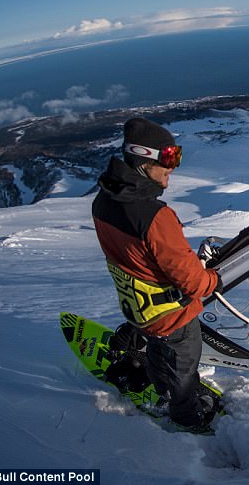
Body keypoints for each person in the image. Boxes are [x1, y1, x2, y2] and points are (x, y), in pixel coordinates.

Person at [91, 117, 222, 431]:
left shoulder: (103, 202)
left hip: (139, 308)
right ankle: (187, 419)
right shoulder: (155, 217)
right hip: (173, 313)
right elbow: (193, 282)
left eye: (176, 156)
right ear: (143, 159)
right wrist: (214, 279)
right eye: (168, 157)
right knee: (183, 368)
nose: (172, 168)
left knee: (158, 349)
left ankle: (161, 387)